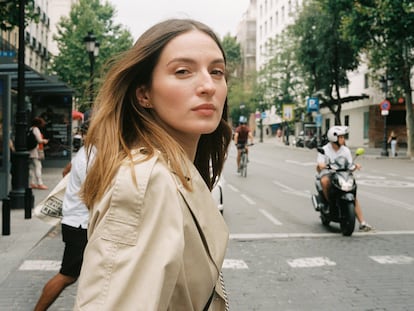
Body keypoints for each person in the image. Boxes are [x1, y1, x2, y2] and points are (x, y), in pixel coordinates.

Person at [74, 18, 232, 310]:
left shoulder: (171, 170)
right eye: (183, 71)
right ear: (144, 93)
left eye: (217, 71)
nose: (208, 86)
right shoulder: (146, 181)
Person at [34, 123, 91, 311]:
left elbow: (65, 171)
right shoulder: (92, 156)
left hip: (75, 221)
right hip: (81, 224)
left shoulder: (85, 151)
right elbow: (94, 192)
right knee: (67, 275)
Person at [316, 125, 373, 232]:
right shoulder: (324, 150)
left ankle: (362, 223)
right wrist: (322, 165)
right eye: (341, 137)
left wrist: (355, 166)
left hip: (342, 174)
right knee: (324, 181)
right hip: (329, 173)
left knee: (352, 194)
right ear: (334, 138)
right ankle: (328, 203)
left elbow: (350, 164)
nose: (343, 139)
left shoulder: (345, 150)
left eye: (343, 137)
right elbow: (319, 164)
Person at [29, 117, 49, 190]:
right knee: (38, 166)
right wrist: (45, 141)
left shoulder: (30, 129)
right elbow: (39, 140)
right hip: (35, 151)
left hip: (30, 150)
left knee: (31, 167)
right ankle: (40, 183)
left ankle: (32, 182)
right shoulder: (36, 129)